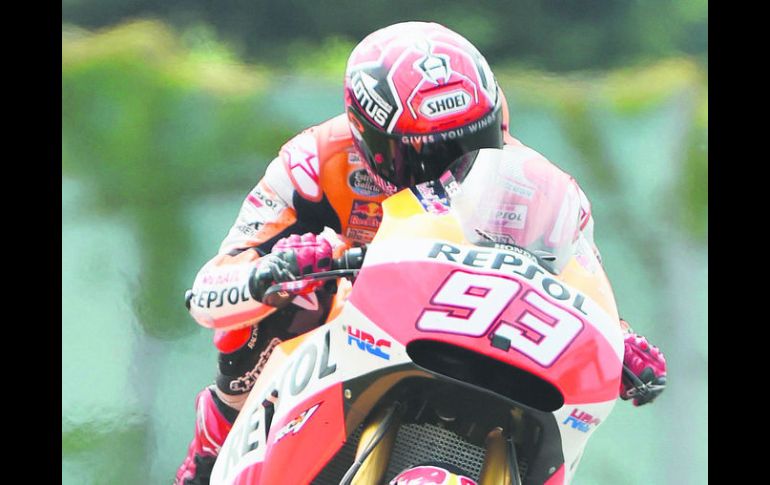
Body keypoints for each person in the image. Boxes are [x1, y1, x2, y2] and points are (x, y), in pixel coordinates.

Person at [174, 21, 667, 484]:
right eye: (428, 156)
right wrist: (270, 273)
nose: (452, 170)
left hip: (475, 329)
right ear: (372, 142)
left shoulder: (529, 182)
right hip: (356, 317)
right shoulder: (314, 162)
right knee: (267, 314)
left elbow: (577, 277)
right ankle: (211, 449)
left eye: (476, 142)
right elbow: (206, 293)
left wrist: (622, 342)